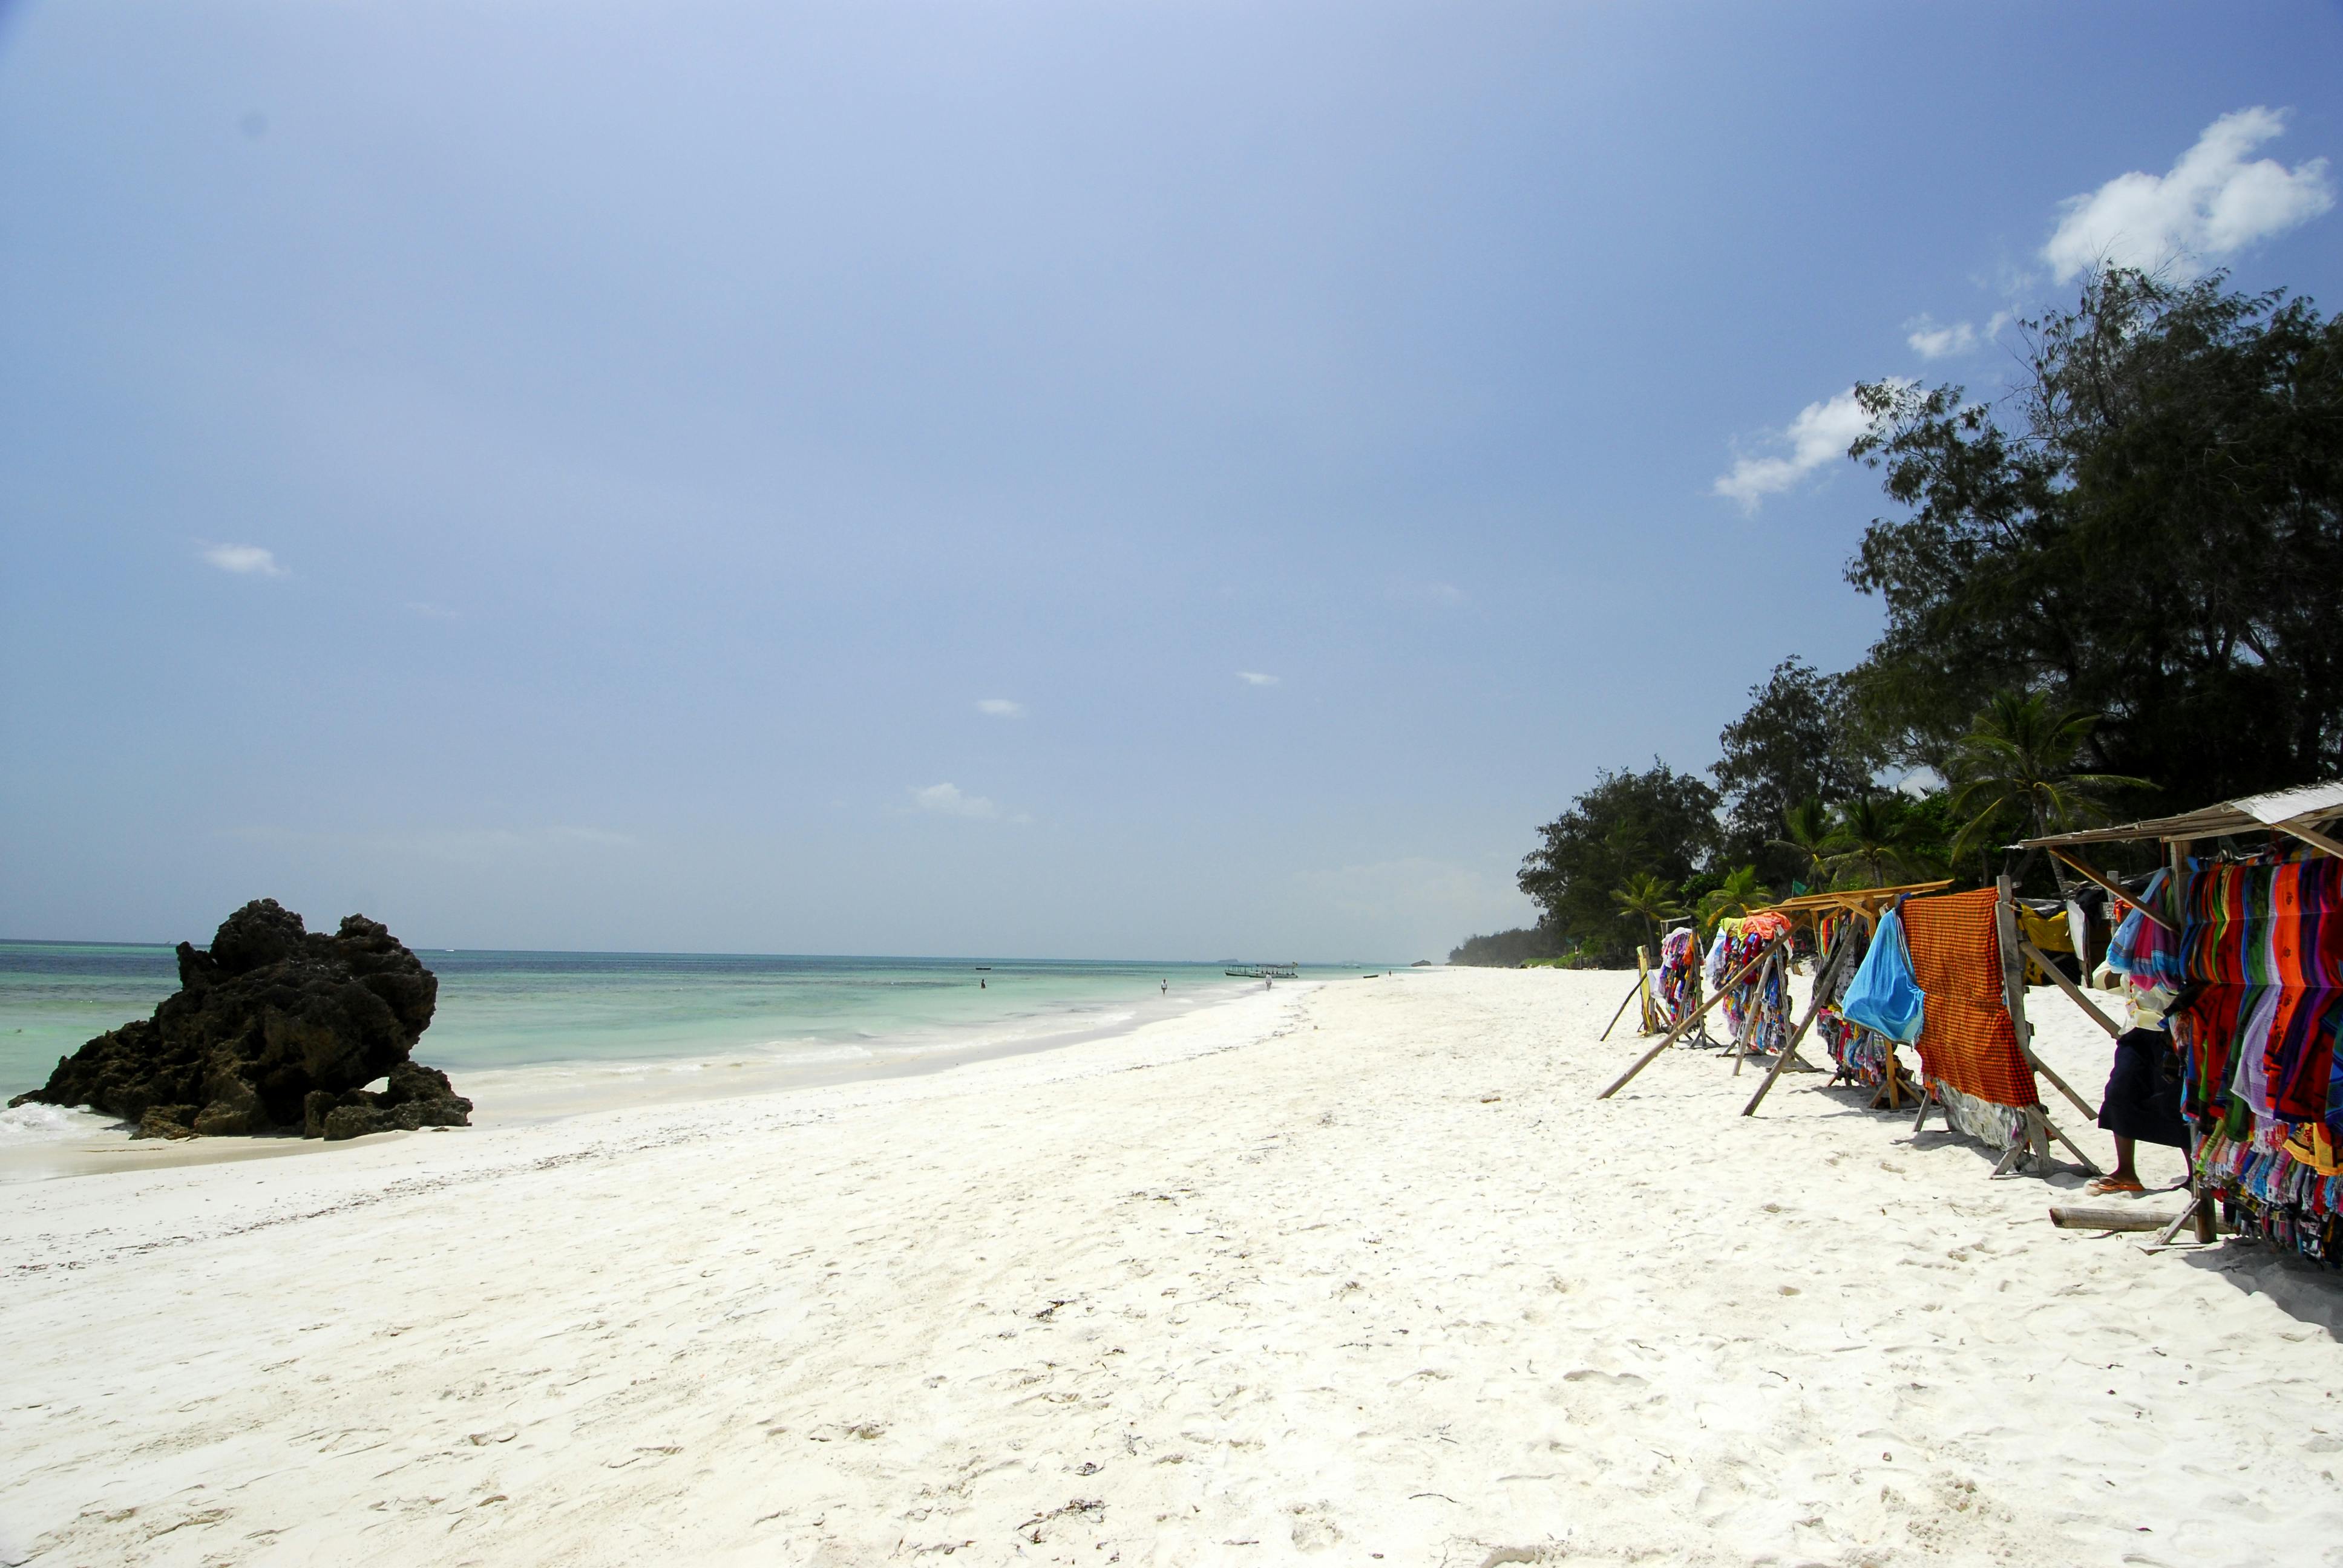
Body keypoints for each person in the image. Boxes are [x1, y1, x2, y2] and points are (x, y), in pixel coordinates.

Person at [2093, 1024, 2187, 1194]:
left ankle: (2196, 1175)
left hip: (2176, 1026)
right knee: (2119, 1090)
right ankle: (2126, 1171)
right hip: (2138, 1026)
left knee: (2177, 1099)